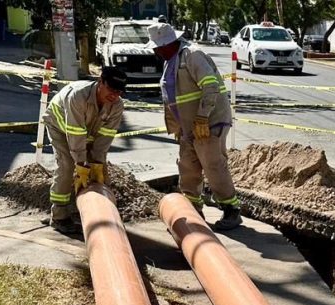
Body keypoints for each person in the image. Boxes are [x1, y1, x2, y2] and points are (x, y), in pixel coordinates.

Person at [147, 22, 242, 230]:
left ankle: (231, 210)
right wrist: (178, 126)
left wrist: (202, 117)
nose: (155, 51)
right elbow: (173, 97)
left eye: (157, 47)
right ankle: (193, 208)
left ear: (168, 43)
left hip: (209, 121)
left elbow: (210, 85)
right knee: (188, 166)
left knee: (213, 164)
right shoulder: (171, 61)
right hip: (188, 127)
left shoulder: (192, 55)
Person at [43, 66, 128, 235]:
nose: (114, 95)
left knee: (100, 172)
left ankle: (101, 214)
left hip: (85, 131)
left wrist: (97, 163)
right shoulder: (78, 96)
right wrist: (81, 164)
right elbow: (75, 134)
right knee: (68, 166)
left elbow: (105, 138)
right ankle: (59, 216)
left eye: (119, 92)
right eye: (111, 89)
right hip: (60, 127)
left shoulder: (116, 105)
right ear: (100, 82)